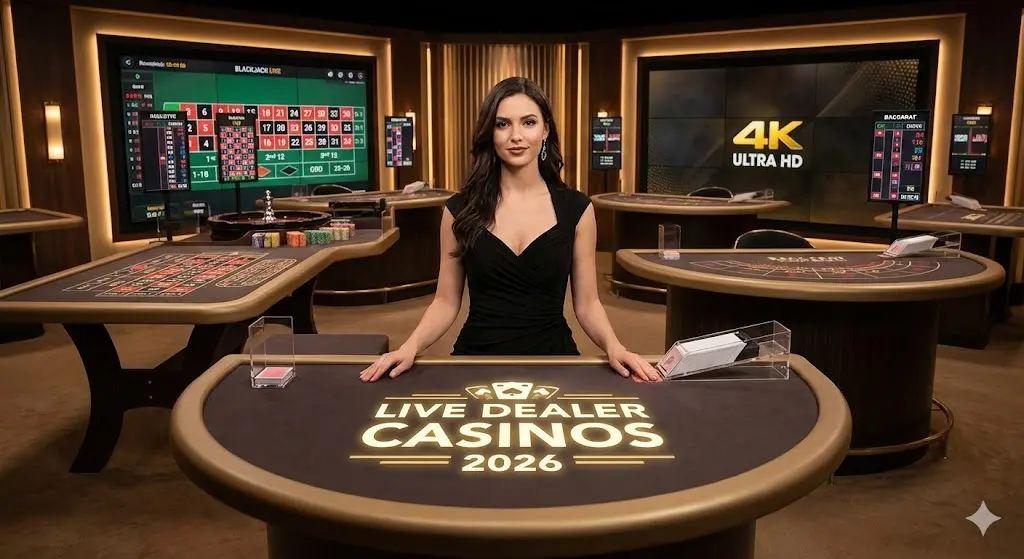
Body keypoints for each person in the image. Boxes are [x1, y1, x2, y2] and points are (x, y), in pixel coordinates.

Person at [360, 76, 661, 383]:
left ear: (545, 130)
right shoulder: (459, 210)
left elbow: (587, 304)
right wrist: (409, 347)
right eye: (503, 124)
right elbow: (445, 302)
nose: (516, 136)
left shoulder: (578, 209)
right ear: (490, 133)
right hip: (475, 360)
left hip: (555, 361)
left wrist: (615, 346)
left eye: (528, 123)